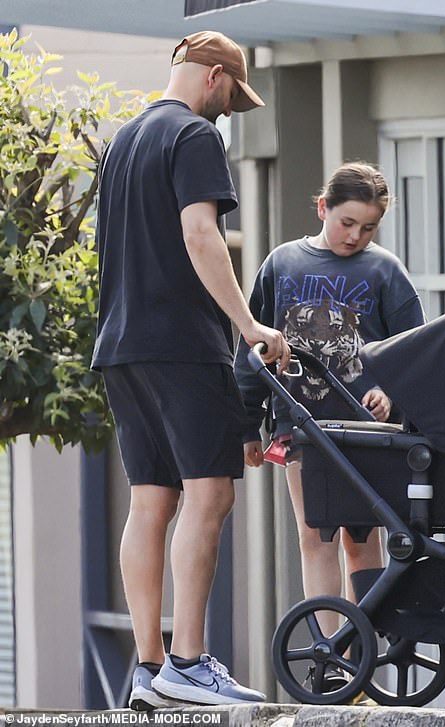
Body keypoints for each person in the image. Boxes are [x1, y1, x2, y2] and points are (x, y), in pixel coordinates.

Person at [91, 31, 290, 710]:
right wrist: (249, 326)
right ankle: (189, 660)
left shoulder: (122, 141)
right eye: (232, 96)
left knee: (152, 499)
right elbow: (200, 233)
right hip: (181, 343)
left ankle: (149, 666)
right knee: (211, 493)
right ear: (212, 75)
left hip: (121, 344)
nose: (230, 112)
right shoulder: (195, 138)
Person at [234, 162, 425, 690]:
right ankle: (330, 660)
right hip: (300, 432)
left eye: (367, 228)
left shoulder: (385, 271)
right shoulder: (282, 264)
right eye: (347, 223)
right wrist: (249, 425)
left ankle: (365, 656)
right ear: (322, 208)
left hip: (367, 433)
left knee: (362, 542)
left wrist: (393, 394)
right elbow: (249, 350)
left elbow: (415, 352)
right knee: (315, 536)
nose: (355, 236)